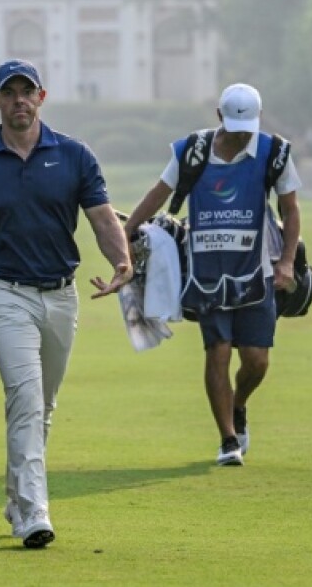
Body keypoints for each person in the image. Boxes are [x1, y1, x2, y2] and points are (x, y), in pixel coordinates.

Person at [0, 59, 132, 549]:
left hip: (61, 295)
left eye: (27, 91)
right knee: (25, 396)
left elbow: (102, 217)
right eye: (9, 92)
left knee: (43, 404)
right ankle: (34, 513)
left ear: (41, 97)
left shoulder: (76, 156)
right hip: (2, 292)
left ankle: (18, 497)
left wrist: (122, 261)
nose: (19, 99)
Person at [121, 83, 302, 467]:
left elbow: (291, 210)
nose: (241, 137)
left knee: (257, 361)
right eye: (235, 128)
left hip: (256, 273)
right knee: (217, 351)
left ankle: (238, 405)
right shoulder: (191, 151)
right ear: (219, 117)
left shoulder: (274, 152)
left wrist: (286, 262)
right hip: (206, 273)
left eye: (247, 129)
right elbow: (159, 192)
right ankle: (227, 439)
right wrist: (127, 230)